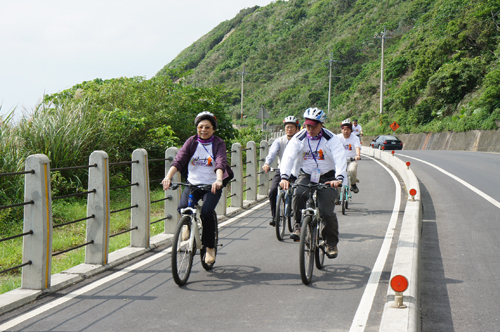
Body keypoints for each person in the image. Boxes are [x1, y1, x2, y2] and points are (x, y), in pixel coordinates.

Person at [162, 111, 233, 264]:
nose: (203, 130)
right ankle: (186, 223)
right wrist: (168, 177)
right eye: (200, 127)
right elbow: (179, 160)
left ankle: (209, 248)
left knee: (207, 212)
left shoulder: (218, 143)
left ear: (213, 129)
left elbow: (220, 161)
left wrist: (219, 180)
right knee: (182, 207)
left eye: (207, 127)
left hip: (212, 185)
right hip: (193, 184)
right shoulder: (192, 142)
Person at [279, 107, 347, 258]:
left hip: (328, 176)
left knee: (326, 212)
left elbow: (340, 157)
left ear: (321, 124)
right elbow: (289, 156)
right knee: (298, 193)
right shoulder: (300, 137)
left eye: (313, 126)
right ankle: (298, 225)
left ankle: (331, 243)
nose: (309, 129)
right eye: (307, 125)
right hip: (307, 173)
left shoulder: (331, 139)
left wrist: (339, 178)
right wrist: (284, 176)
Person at [262, 116, 300, 226]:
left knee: (299, 193)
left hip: (296, 172)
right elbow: (272, 153)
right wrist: (267, 163)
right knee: (273, 191)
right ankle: (275, 216)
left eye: (292, 127)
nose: (289, 129)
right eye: (287, 127)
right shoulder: (279, 141)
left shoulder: (300, 141)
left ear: (297, 128)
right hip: (282, 170)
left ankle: (298, 219)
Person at [337, 119, 361, 194]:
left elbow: (357, 147)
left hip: (351, 160)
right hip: (340, 161)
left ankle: (353, 184)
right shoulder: (337, 138)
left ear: (351, 130)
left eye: (348, 129)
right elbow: (332, 147)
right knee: (337, 176)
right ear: (341, 130)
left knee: (352, 170)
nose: (346, 131)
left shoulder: (355, 138)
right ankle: (336, 195)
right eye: (344, 129)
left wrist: (358, 155)